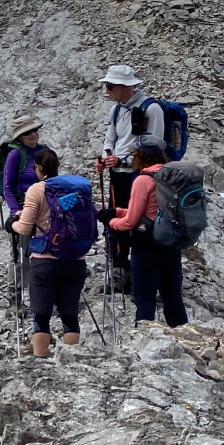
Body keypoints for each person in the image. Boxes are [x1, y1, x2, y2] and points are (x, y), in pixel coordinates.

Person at [97, 137, 188, 328]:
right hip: (171, 242)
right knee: (173, 298)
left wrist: (110, 222)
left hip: (146, 244)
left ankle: (145, 337)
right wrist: (117, 211)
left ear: (142, 158)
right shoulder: (173, 177)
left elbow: (131, 221)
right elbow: (150, 212)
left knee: (145, 299)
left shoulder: (143, 180)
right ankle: (182, 335)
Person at [93, 65, 164, 292]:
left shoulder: (152, 109)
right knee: (118, 222)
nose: (107, 91)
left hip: (141, 178)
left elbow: (154, 148)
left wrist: (121, 161)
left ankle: (142, 276)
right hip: (119, 175)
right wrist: (106, 158)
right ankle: (121, 273)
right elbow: (110, 139)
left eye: (110, 86)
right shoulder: (116, 109)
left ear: (125, 87)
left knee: (141, 224)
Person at [11, 147, 84, 357]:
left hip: (45, 260)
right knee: (70, 315)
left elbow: (25, 228)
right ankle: (71, 361)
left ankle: (41, 362)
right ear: (57, 165)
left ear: (39, 168)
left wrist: (11, 224)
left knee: (41, 316)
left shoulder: (36, 190)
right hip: (75, 259)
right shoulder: (72, 188)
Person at [0, 114, 43, 219]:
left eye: (35, 130)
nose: (33, 134)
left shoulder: (45, 150)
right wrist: (15, 211)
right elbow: (7, 187)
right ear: (20, 137)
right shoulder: (15, 154)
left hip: (45, 205)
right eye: (27, 133)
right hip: (24, 207)